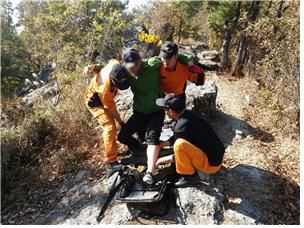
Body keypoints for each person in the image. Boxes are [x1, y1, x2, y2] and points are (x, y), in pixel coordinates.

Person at [155, 94, 225, 187]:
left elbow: (180, 153)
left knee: (179, 145)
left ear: (171, 111)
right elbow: (180, 136)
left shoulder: (180, 128)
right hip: (216, 157)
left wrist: (160, 160)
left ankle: (190, 178)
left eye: (165, 109)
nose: (165, 112)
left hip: (211, 165)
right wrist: (161, 145)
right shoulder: (188, 115)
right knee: (179, 143)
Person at [84, 59, 130, 171]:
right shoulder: (105, 90)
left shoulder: (116, 65)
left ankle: (114, 150)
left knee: (112, 126)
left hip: (103, 99)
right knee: (110, 126)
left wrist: (95, 67)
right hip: (94, 102)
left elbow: (107, 63)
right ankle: (111, 161)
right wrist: (120, 122)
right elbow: (112, 109)